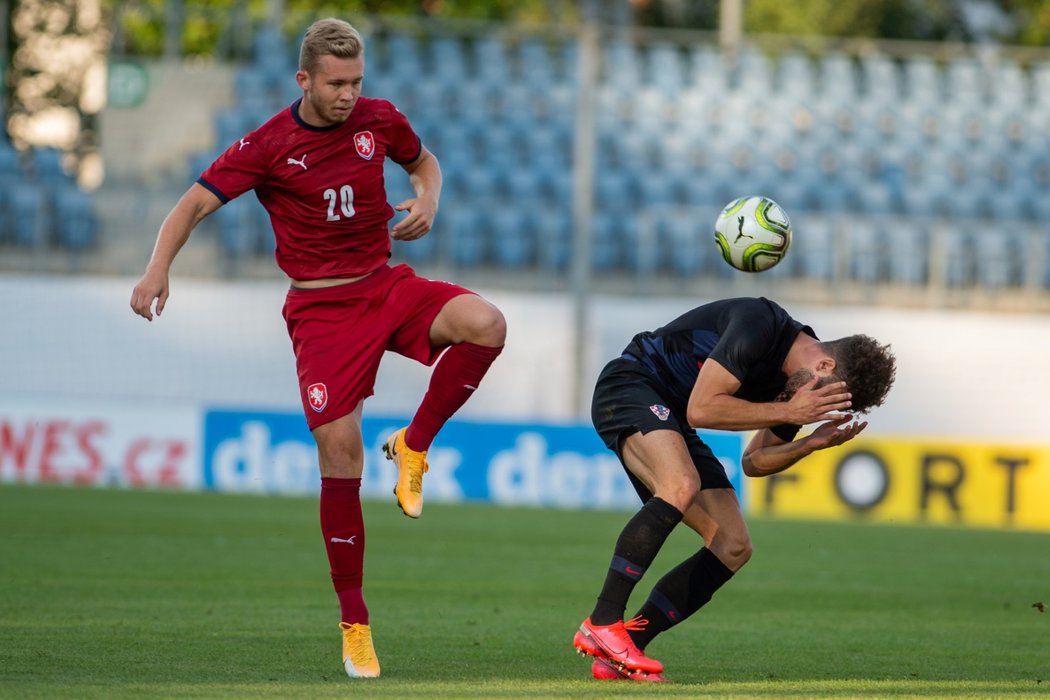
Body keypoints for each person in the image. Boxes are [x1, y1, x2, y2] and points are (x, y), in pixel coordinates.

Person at [129, 18, 506, 679]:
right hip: (322, 310)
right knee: (339, 452)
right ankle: (355, 623)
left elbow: (425, 162)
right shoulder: (268, 145)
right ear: (304, 79)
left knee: (487, 324)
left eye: (356, 82)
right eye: (335, 84)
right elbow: (190, 205)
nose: (347, 96)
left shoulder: (377, 120)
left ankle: (414, 444)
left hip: (386, 286)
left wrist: (429, 198)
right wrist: (158, 267)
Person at [572, 296, 896, 682]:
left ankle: (624, 651)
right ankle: (604, 621)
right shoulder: (760, 323)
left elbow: (755, 462)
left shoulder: (797, 389)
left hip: (673, 416)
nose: (819, 409)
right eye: (827, 398)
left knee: (733, 546)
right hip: (633, 383)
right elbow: (702, 409)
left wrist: (808, 445)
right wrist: (792, 412)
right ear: (824, 365)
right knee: (680, 484)